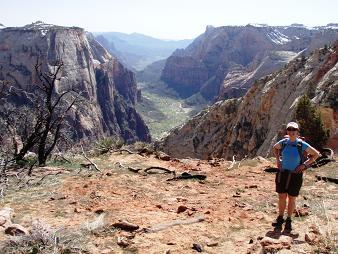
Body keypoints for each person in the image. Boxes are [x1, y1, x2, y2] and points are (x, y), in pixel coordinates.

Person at [272, 122, 320, 231]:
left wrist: (304, 165)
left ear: (297, 131)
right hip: (283, 173)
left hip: (295, 175)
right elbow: (275, 148)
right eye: (289, 129)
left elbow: (316, 154)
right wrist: (277, 160)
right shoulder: (284, 142)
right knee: (282, 197)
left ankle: (288, 220)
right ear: (287, 131)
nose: (292, 131)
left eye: (294, 129)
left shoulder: (301, 144)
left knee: (292, 198)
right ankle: (280, 218)